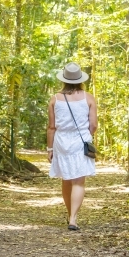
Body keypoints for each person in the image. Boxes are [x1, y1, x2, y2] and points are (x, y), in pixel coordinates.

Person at [47, 62, 97, 231]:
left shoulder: (55, 99)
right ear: (80, 79)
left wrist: (50, 149)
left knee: (66, 179)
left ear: (64, 80)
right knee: (79, 181)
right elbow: (94, 124)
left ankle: (70, 214)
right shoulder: (88, 97)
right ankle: (73, 218)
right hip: (80, 139)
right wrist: (87, 135)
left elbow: (51, 127)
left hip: (61, 140)